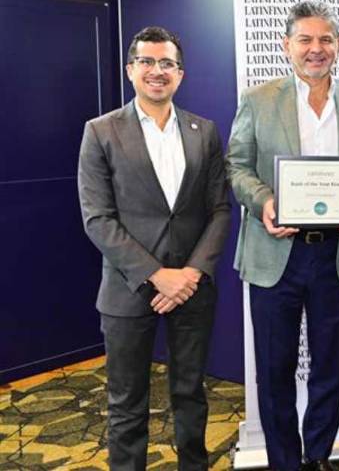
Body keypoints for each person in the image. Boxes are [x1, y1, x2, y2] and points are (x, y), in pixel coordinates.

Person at [226, 1, 339, 471]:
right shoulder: (258, 100)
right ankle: (284, 462)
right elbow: (236, 167)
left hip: (336, 254)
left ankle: (318, 456)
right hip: (275, 252)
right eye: (305, 40)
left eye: (325, 40)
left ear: (338, 45)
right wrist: (265, 202)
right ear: (287, 45)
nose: (316, 49)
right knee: (274, 369)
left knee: (329, 366)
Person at [77, 26, 231, 470]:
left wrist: (191, 274)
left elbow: (220, 209)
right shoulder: (101, 131)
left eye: (167, 63)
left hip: (192, 288)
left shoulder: (205, 131)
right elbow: (97, 218)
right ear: (131, 69)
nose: (157, 71)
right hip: (128, 290)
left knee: (191, 394)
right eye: (147, 61)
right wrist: (157, 275)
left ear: (180, 74)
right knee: (126, 404)